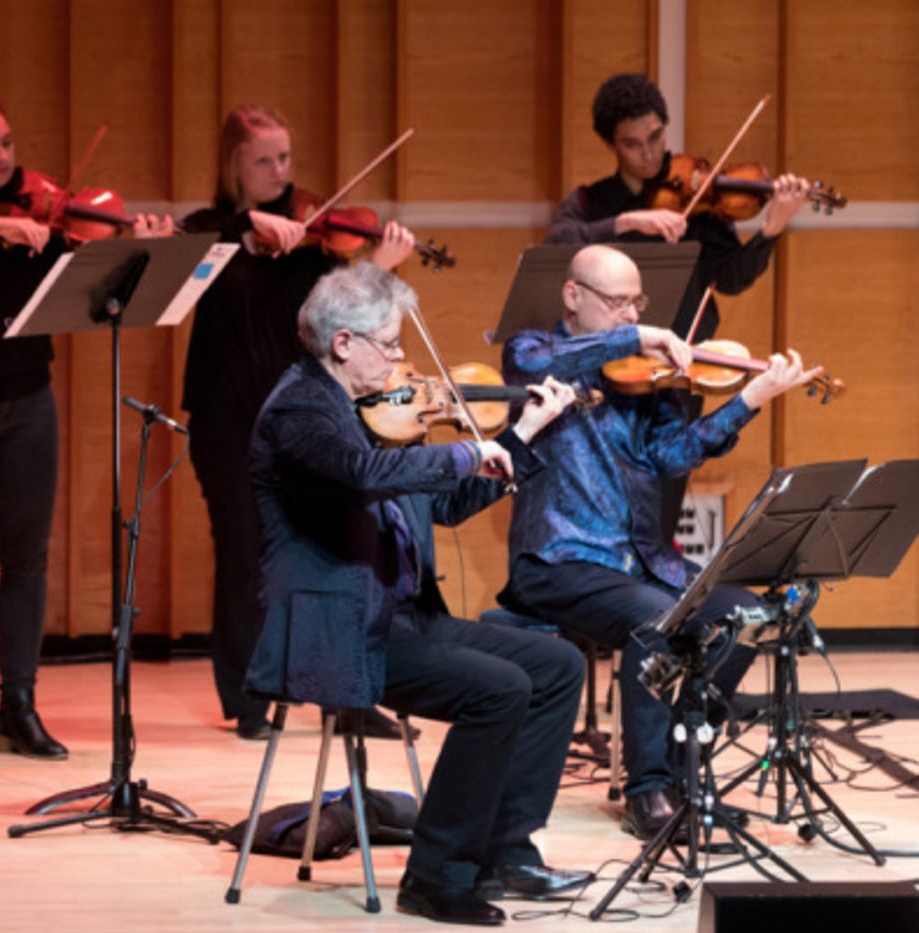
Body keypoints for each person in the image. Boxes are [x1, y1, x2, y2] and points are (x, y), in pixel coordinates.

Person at [247, 263, 592, 926]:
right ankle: (436, 876)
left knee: (558, 666)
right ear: (343, 343)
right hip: (346, 628)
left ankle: (507, 852)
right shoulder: (300, 409)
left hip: (402, 615)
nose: (403, 357)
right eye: (390, 343)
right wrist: (465, 451)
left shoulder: (369, 412)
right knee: (500, 689)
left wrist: (522, 434)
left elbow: (450, 505)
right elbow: (360, 475)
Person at [498, 244, 824, 840]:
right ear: (573, 297)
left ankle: (680, 774)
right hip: (559, 560)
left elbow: (667, 455)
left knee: (744, 613)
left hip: (641, 564)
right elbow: (535, 368)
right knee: (657, 618)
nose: (630, 315)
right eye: (616, 302)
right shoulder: (532, 352)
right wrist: (634, 338)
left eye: (637, 303)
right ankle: (645, 793)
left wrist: (748, 401)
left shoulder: (651, 380)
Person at [0, 94, 171, 766]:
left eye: (8, 144)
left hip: (30, 404)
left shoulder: (41, 215)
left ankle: (17, 705)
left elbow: (93, 278)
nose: (5, 159)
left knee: (28, 560)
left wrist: (141, 251)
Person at [181, 105, 415, 741]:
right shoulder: (209, 232)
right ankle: (252, 697)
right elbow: (193, 266)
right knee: (246, 556)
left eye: (284, 158)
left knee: (343, 547)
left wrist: (379, 270)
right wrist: (244, 230)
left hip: (303, 416)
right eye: (264, 160)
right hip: (229, 419)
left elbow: (343, 321)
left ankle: (350, 696)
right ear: (234, 165)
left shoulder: (314, 234)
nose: (280, 172)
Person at [547, 72, 811, 342]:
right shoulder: (592, 201)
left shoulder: (698, 201)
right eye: (632, 144)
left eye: (655, 136)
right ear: (610, 144)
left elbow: (730, 280)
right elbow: (556, 244)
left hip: (684, 355)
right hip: (607, 360)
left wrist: (771, 230)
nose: (648, 154)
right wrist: (626, 222)